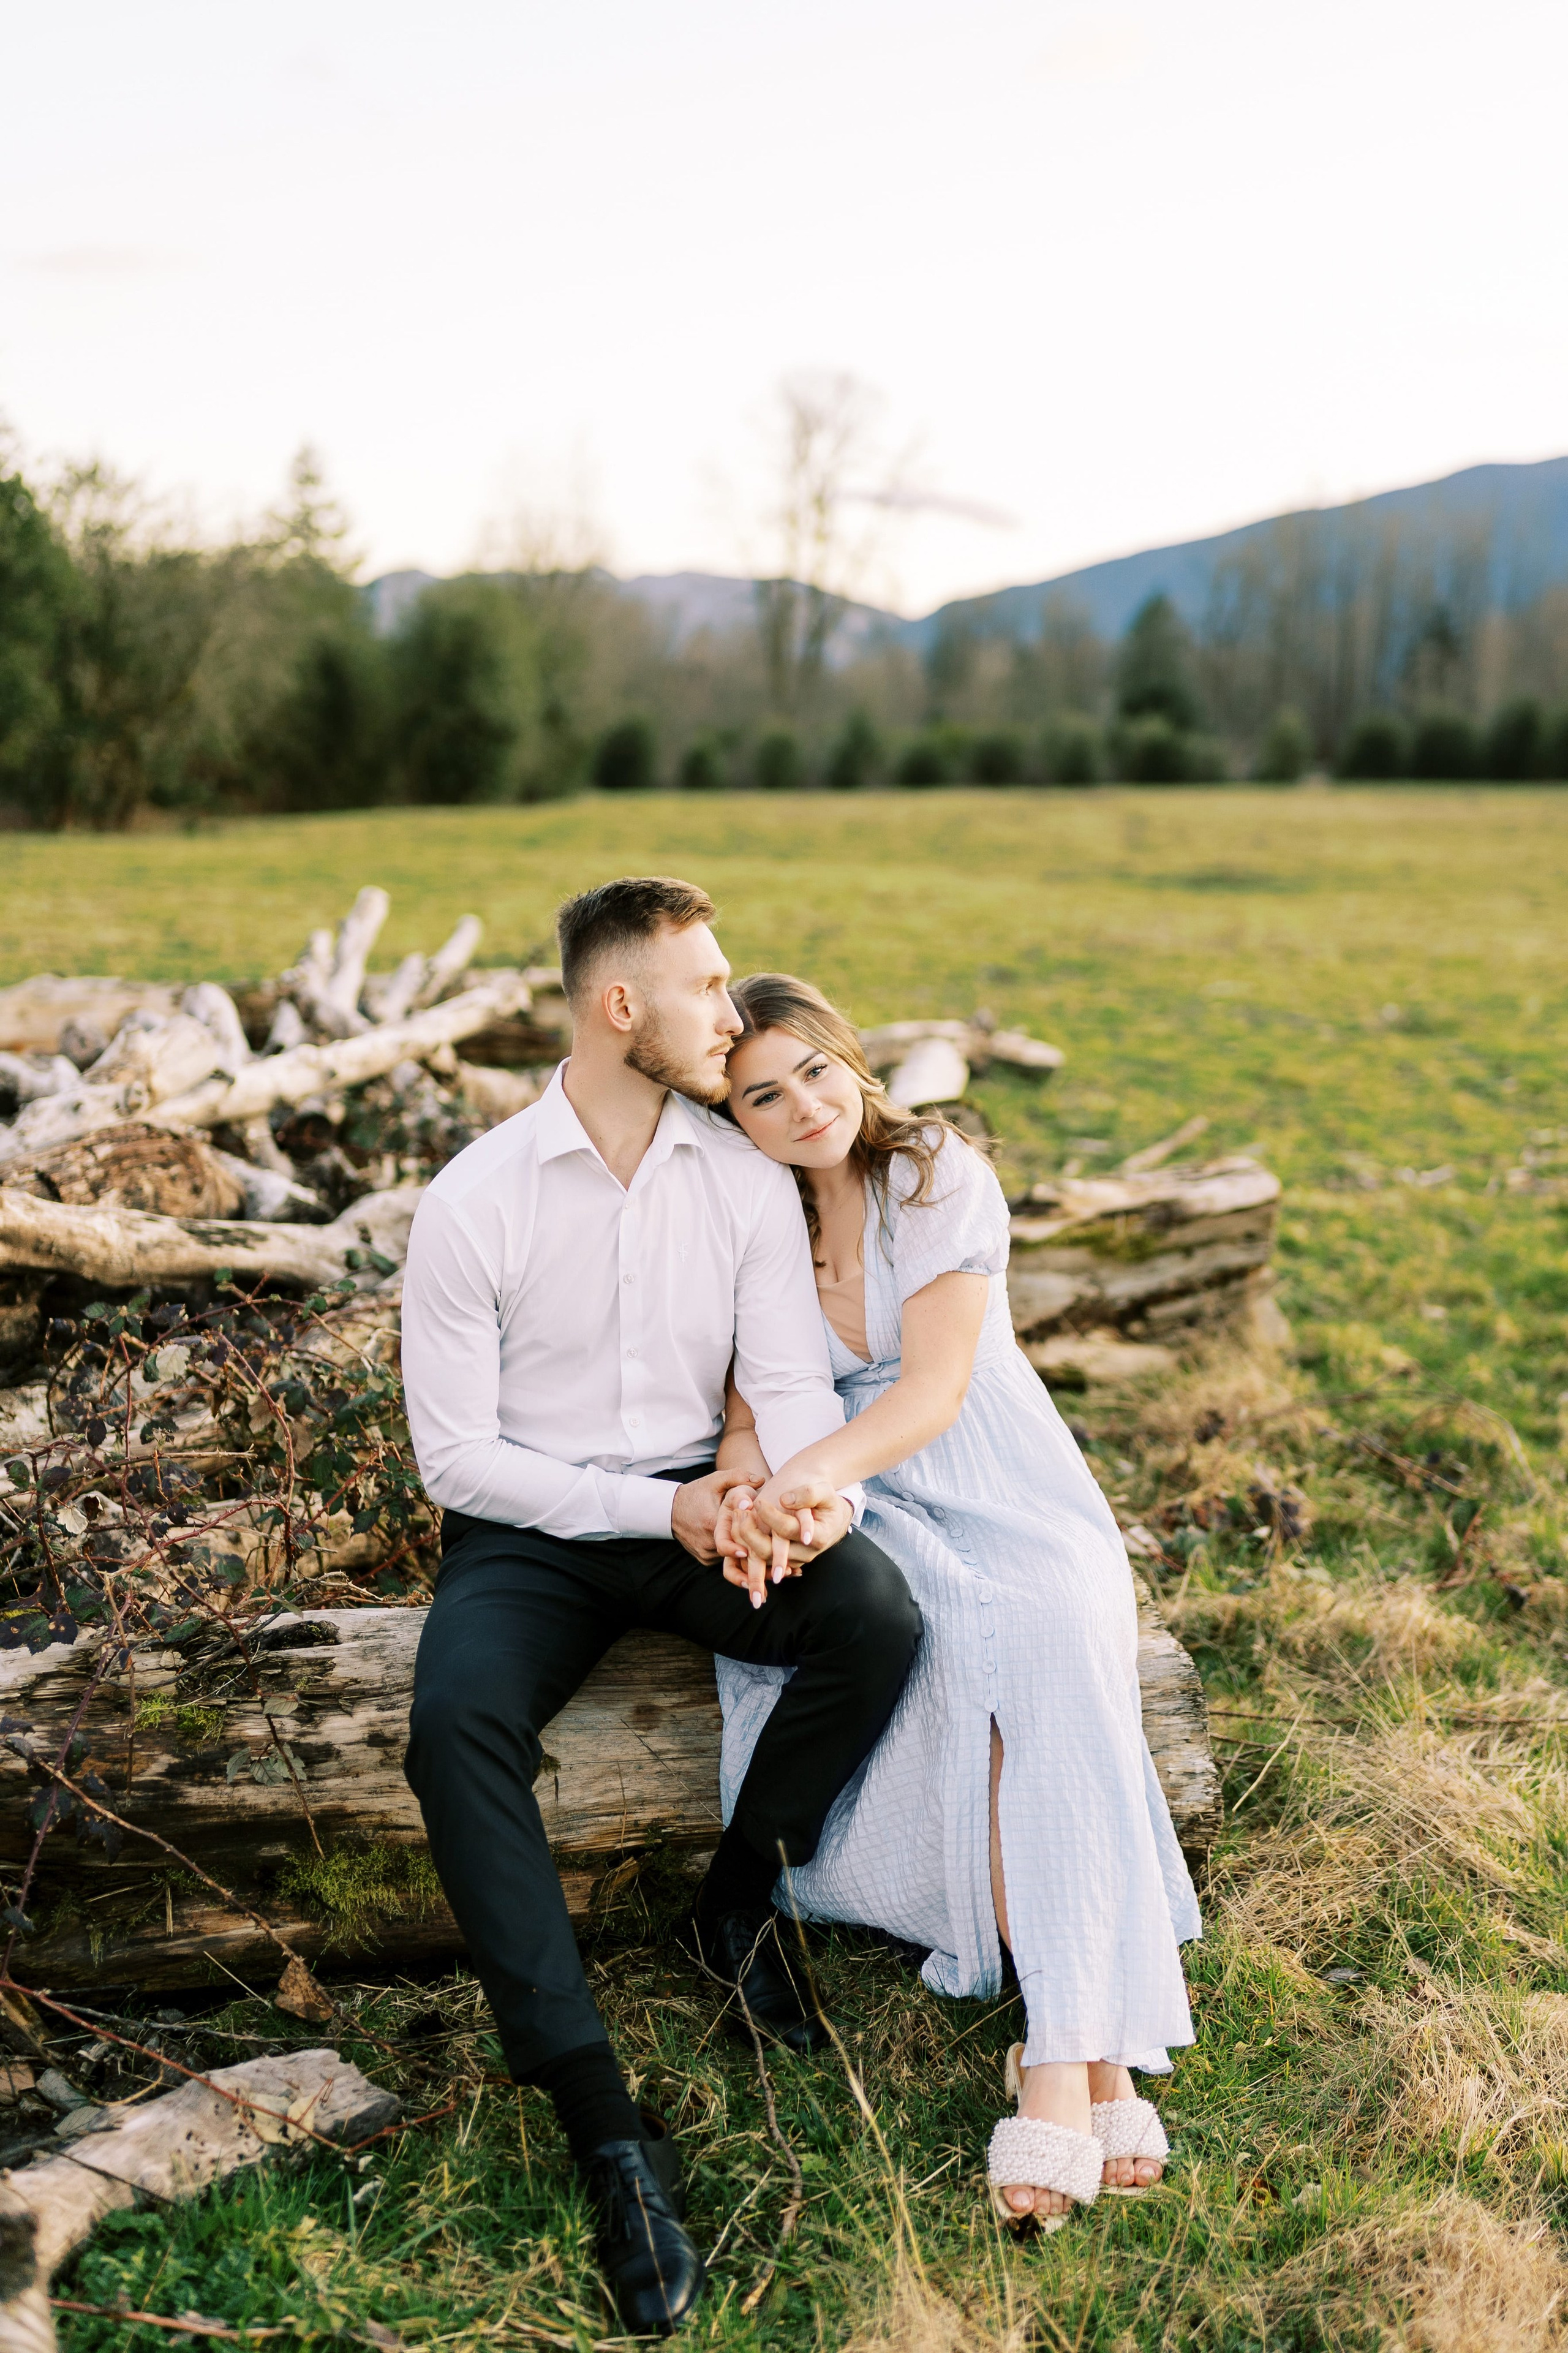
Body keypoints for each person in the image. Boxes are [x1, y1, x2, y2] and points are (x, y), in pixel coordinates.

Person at [398, 882, 922, 2335]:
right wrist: (663, 1509)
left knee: (873, 1614)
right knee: (452, 1726)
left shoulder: (741, 1179)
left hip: (707, 1498)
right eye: (706, 982)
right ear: (618, 1006)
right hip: (532, 1530)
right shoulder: (477, 1198)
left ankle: (737, 1906)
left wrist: (785, 1497)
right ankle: (601, 2122)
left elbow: (793, 1386)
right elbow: (457, 1459)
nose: (731, 1003)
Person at [709, 973, 1200, 2230]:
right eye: (762, 1092)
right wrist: (758, 1495)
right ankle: (1086, 2058)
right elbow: (749, 1405)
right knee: (950, 1650)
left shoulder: (930, 1170)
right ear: (735, 1117)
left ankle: (1054, 2054)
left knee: (1043, 1629)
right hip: (868, 1503)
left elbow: (928, 1392)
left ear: (851, 1063)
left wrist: (807, 1478)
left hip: (994, 1473)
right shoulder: (743, 1218)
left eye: (814, 1069)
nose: (800, 1104)